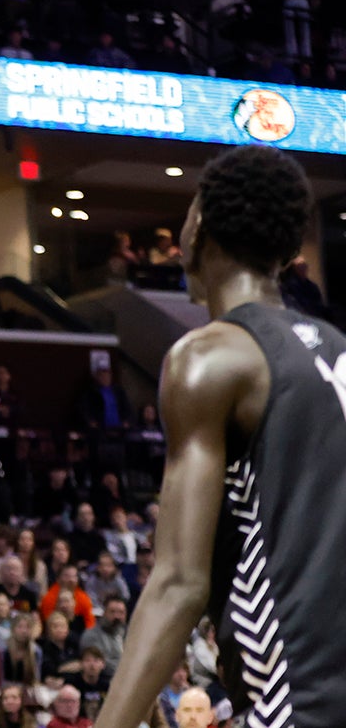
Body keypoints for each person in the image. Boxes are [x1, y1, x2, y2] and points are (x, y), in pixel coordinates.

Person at [96, 146, 345, 727]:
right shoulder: (336, 347)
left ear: (199, 223)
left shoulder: (208, 357)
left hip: (297, 700)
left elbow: (179, 583)